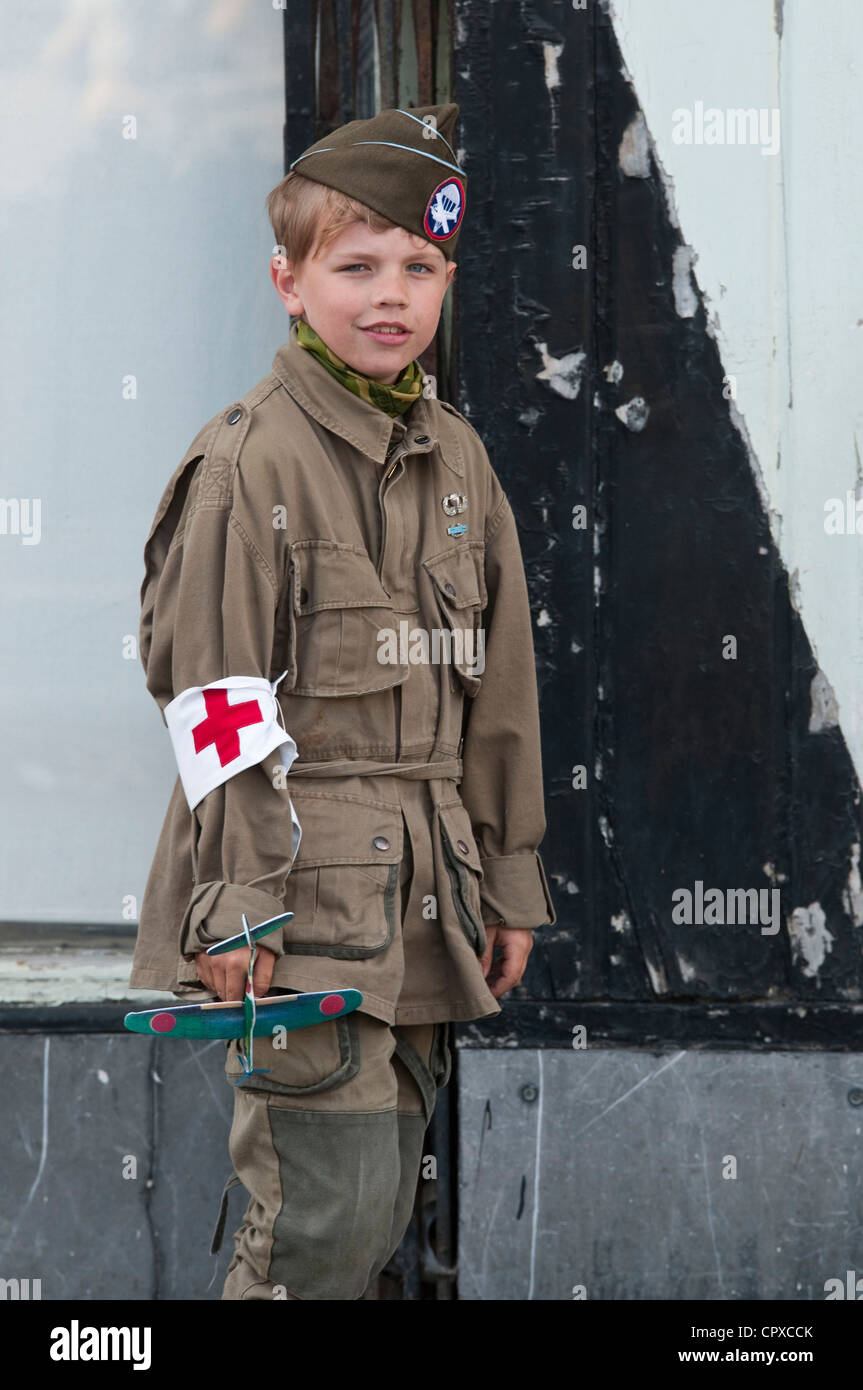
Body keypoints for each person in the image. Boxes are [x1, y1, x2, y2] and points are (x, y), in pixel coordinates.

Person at [130, 102, 556, 1301]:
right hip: (299, 902)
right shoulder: (246, 465)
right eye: (354, 265)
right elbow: (215, 709)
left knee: (372, 1210)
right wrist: (239, 908)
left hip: (428, 896)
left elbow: (500, 690)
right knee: (317, 1217)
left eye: (418, 267)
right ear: (287, 281)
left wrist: (506, 874)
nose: (390, 295)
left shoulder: (456, 457)